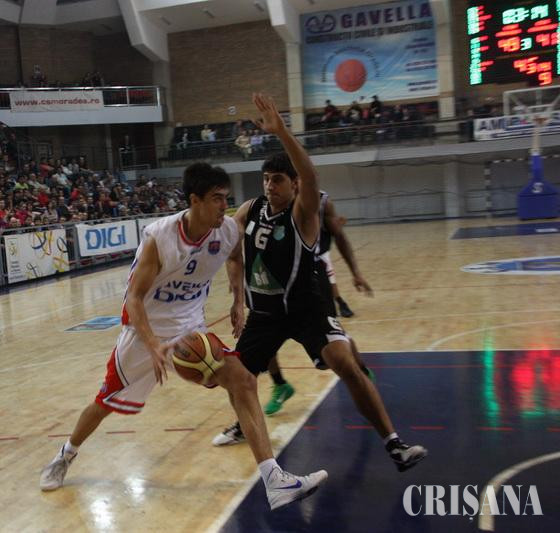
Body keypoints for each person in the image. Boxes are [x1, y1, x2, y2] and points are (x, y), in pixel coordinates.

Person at [39, 162, 327, 510]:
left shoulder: (227, 232)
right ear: (195, 200)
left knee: (244, 381)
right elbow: (134, 298)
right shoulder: (160, 237)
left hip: (189, 327)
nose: (224, 206)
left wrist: (238, 300)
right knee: (104, 403)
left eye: (227, 198)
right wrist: (153, 344)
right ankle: (65, 454)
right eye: (217, 198)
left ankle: (274, 480)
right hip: (144, 329)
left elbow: (235, 257)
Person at [211, 94, 427, 474]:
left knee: (344, 363)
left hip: (306, 306)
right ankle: (245, 425)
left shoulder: (304, 212)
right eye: (266, 179)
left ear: (295, 185)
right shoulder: (250, 209)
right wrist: (237, 300)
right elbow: (232, 254)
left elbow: (311, 175)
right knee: (237, 378)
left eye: (278, 180)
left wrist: (282, 132)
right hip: (264, 312)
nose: (270, 186)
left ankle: (394, 445)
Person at [262, 190, 375, 415]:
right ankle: (280, 384)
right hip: (279, 277)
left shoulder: (322, 201)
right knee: (264, 333)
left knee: (334, 336)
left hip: (312, 275)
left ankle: (360, 370)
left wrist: (356, 273)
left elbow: (340, 237)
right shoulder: (270, 201)